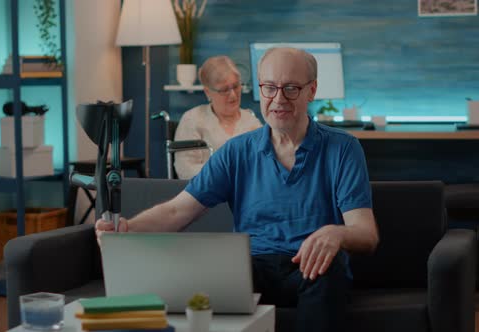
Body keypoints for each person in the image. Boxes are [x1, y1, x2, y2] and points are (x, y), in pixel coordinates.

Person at [96, 47, 379, 332]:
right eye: (269, 88)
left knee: (331, 271)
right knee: (204, 279)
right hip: (251, 269)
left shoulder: (343, 148)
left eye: (291, 88)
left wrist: (336, 232)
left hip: (314, 269)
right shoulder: (236, 152)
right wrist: (128, 228)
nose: (278, 99)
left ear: (312, 90)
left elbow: (366, 233)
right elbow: (176, 211)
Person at [173, 55, 262, 179]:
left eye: (236, 86)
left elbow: (264, 165)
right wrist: (225, 173)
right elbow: (185, 170)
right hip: (205, 194)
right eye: (224, 90)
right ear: (208, 92)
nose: (233, 95)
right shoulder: (193, 119)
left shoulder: (251, 121)